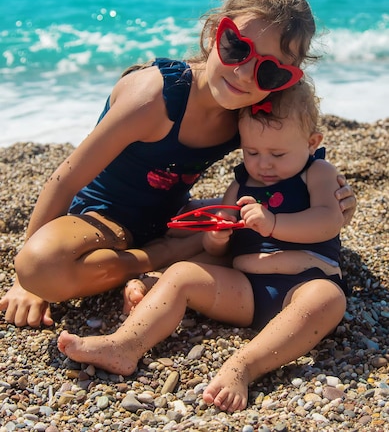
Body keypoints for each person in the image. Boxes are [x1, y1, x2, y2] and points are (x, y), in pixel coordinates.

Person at [0, 0, 354, 329]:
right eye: (237, 47)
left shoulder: (246, 112)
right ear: (216, 31)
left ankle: (157, 266)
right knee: (38, 267)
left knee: (255, 232)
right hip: (102, 217)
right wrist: (24, 285)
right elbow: (65, 180)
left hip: (175, 217)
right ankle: (160, 259)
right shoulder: (154, 98)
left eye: (270, 70)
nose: (244, 74)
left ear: (284, 80)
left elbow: (294, 159)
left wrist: (335, 199)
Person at [57, 79, 348, 413]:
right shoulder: (240, 184)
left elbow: (329, 219)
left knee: (328, 299)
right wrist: (216, 238)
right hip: (248, 291)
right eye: (252, 152)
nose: (264, 164)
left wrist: (273, 224)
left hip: (305, 281)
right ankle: (124, 344)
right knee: (182, 274)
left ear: (312, 143)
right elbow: (217, 247)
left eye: (278, 154)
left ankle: (244, 366)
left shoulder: (318, 173)